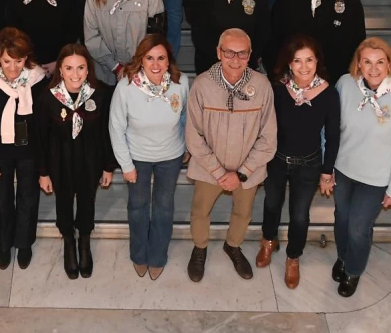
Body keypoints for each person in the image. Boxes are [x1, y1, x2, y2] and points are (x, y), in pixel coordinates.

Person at [185, 28, 276, 283]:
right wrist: (218, 172)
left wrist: (242, 173)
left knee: (243, 212)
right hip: (208, 168)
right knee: (200, 211)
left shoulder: (261, 85)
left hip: (248, 170)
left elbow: (269, 137)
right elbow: (193, 135)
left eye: (242, 53)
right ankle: (200, 248)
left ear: (250, 55)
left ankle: (233, 246)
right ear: (218, 52)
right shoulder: (202, 84)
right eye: (229, 53)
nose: (235, 59)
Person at [256, 34, 341, 289]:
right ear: (289, 64)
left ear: (317, 62)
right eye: (297, 61)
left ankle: (293, 257)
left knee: (300, 216)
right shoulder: (278, 89)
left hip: (309, 164)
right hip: (277, 161)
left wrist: (327, 171)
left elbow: (334, 135)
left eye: (309, 60)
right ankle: (268, 241)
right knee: (271, 205)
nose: (304, 67)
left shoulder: (328, 93)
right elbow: (264, 127)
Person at [333, 37, 391, 297]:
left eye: (380, 62)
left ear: (389, 64)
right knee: (341, 219)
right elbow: (332, 130)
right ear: (359, 64)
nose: (374, 68)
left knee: (358, 227)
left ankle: (354, 270)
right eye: (367, 62)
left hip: (376, 179)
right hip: (344, 170)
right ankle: (343, 257)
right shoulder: (345, 85)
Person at [109, 35, 189, 280]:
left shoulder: (181, 82)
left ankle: (157, 255)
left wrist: (187, 147)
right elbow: (116, 127)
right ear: (141, 60)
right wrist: (126, 165)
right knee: (138, 207)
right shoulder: (126, 86)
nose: (155, 64)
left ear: (168, 61)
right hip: (137, 158)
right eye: (149, 58)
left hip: (170, 156)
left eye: (161, 58)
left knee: (164, 207)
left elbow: (186, 116)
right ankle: (139, 253)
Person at [36, 44, 116, 279]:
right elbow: (40, 138)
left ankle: (84, 240)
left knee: (87, 201)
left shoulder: (99, 94)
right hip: (59, 163)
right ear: (60, 69)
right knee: (63, 202)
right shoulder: (47, 99)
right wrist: (43, 172)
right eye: (69, 68)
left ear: (88, 68)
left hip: (90, 161)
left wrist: (108, 166)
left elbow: (106, 132)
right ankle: (69, 240)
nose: (75, 74)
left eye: (81, 67)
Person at [0, 27, 47, 270]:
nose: (14, 68)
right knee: (2, 199)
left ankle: (24, 242)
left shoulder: (38, 79)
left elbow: (43, 123)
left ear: (26, 57)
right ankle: (4, 243)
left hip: (29, 150)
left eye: (19, 61)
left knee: (28, 196)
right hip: (0, 151)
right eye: (7, 61)